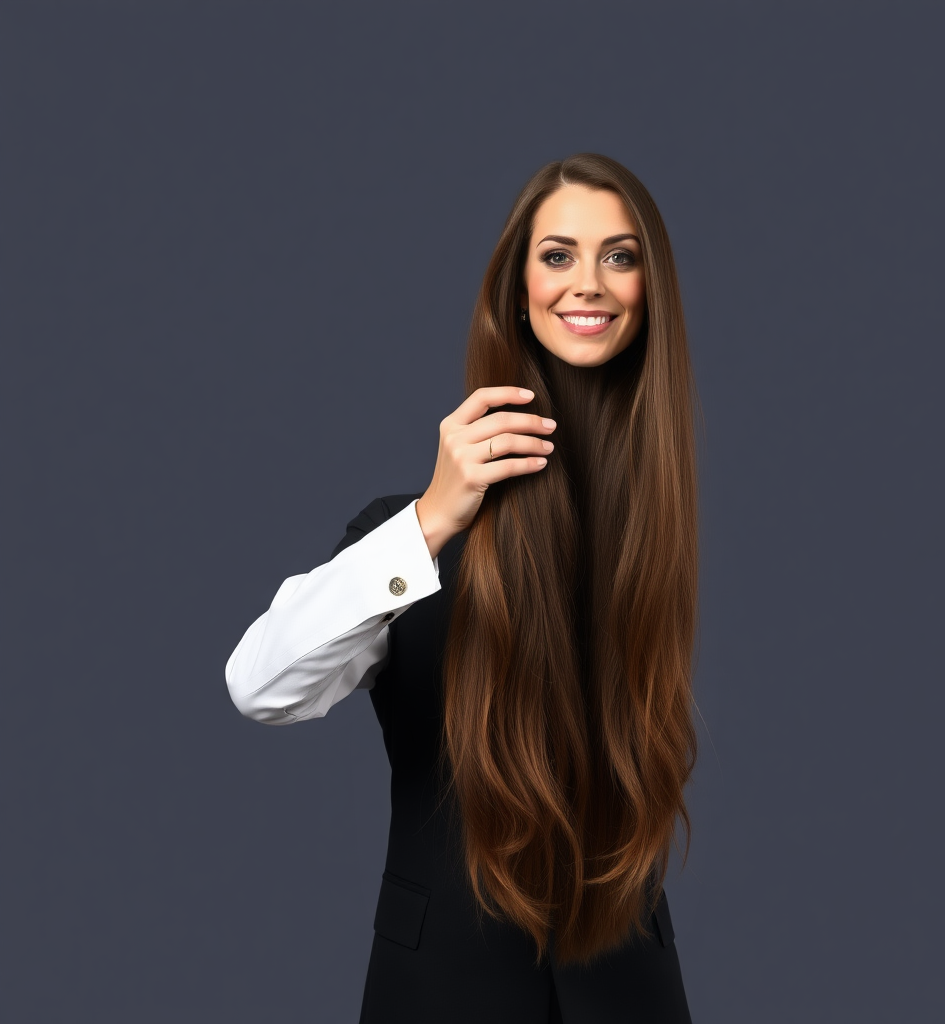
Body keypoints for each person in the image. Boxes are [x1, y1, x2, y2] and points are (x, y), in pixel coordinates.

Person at [225, 153, 702, 1023]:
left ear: (648, 293)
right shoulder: (406, 541)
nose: (587, 283)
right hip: (441, 989)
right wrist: (430, 520)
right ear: (518, 290)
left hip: (631, 987)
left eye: (619, 255)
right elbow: (259, 686)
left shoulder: (656, 530)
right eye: (557, 254)